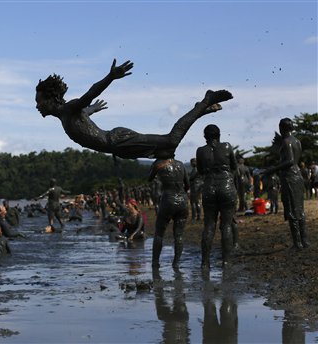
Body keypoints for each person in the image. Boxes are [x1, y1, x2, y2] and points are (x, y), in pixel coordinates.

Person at [36, 58, 233, 160]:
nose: (38, 106)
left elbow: (89, 94)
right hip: (119, 149)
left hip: (118, 141)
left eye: (39, 101)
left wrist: (110, 77)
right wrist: (93, 110)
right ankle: (202, 111)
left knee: (172, 139)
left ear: (50, 98)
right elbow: (85, 111)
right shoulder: (66, 116)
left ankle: (204, 102)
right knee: (169, 150)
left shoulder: (69, 109)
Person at [261, 118, 309, 250]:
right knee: (300, 209)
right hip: (297, 176)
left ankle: (297, 243)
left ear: (282, 128)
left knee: (292, 211)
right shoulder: (297, 141)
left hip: (290, 178)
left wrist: (271, 169)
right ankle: (304, 241)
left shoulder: (286, 142)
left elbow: (290, 161)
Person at [196, 124, 237, 269]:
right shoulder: (227, 146)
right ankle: (226, 261)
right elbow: (234, 166)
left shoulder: (200, 151)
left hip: (209, 188)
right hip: (226, 186)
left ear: (205, 137)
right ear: (219, 135)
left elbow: (200, 171)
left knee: (209, 226)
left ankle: (205, 263)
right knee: (226, 225)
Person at [148, 157, 189, 268]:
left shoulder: (159, 163)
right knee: (179, 235)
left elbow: (149, 178)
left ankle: (155, 262)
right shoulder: (181, 164)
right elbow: (187, 184)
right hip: (182, 200)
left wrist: (156, 166)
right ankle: (176, 263)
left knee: (159, 233)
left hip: (168, 199)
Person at [189, 157, 204, 223]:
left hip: (195, 187)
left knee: (193, 202)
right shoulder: (200, 169)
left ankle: (194, 217)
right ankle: (198, 216)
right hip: (199, 186)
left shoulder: (195, 170)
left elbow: (191, 178)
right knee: (198, 201)